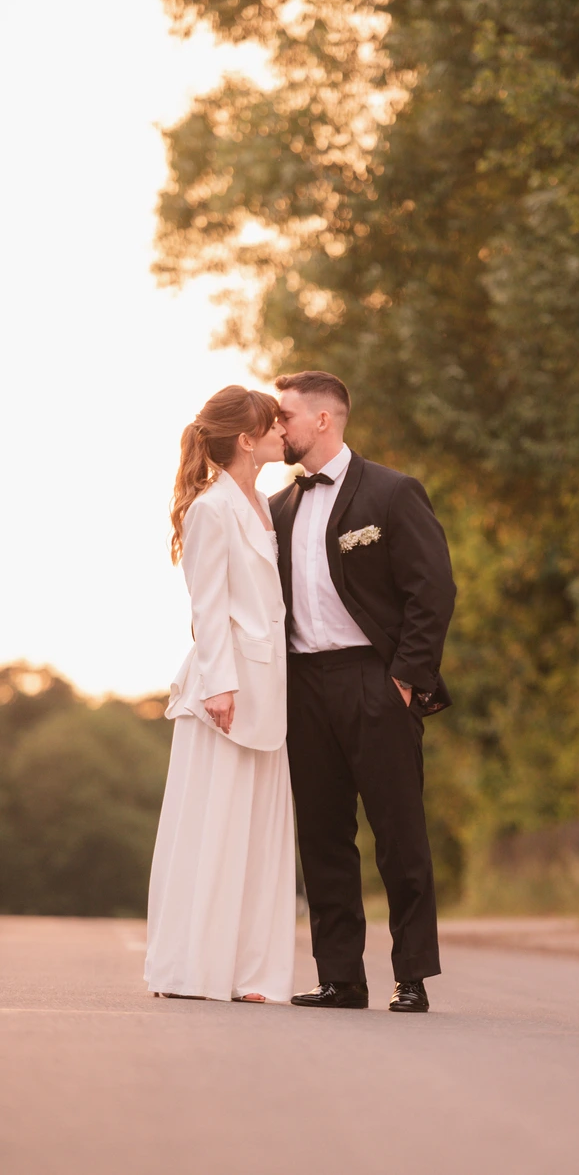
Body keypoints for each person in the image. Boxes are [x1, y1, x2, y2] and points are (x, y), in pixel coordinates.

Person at [270, 370, 457, 1013]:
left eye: (286, 414)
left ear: (324, 419)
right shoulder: (278, 508)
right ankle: (341, 977)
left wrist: (405, 680)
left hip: (375, 682)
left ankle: (412, 977)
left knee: (398, 834)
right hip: (305, 688)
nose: (278, 425)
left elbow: (431, 593)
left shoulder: (393, 493)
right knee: (322, 836)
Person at [145, 385, 296, 1004]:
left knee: (259, 835)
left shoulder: (260, 501)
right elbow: (207, 607)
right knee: (212, 829)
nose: (284, 433)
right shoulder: (212, 509)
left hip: (271, 690)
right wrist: (221, 687)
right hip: (224, 695)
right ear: (245, 439)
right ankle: (191, 969)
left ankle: (250, 975)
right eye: (273, 426)